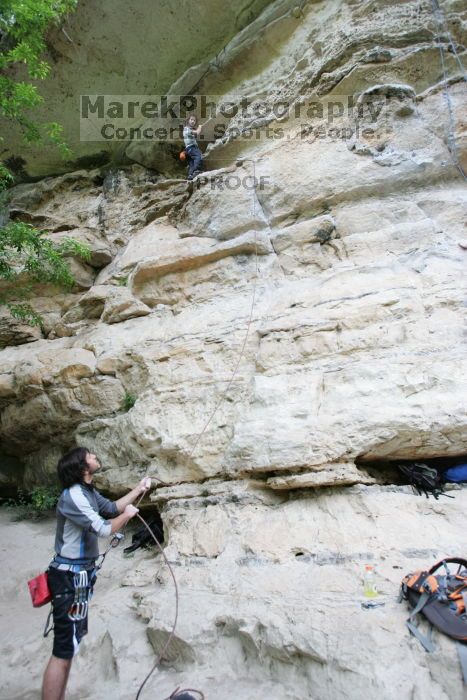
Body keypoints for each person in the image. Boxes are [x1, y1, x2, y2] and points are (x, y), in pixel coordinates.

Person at [41, 447, 151, 700]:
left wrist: (138, 489)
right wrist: (127, 515)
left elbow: (111, 508)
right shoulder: (73, 496)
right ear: (82, 467)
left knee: (71, 645)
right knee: (63, 650)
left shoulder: (88, 492)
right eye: (90, 455)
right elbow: (103, 528)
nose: (95, 457)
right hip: (69, 578)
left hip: (79, 577)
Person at [183, 114, 203, 180]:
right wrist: (199, 127)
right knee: (198, 156)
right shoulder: (186, 129)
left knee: (192, 163)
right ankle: (196, 171)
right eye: (191, 119)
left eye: (194, 120)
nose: (193, 121)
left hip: (188, 150)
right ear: (188, 121)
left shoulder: (188, 130)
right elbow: (197, 132)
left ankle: (190, 176)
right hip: (191, 148)